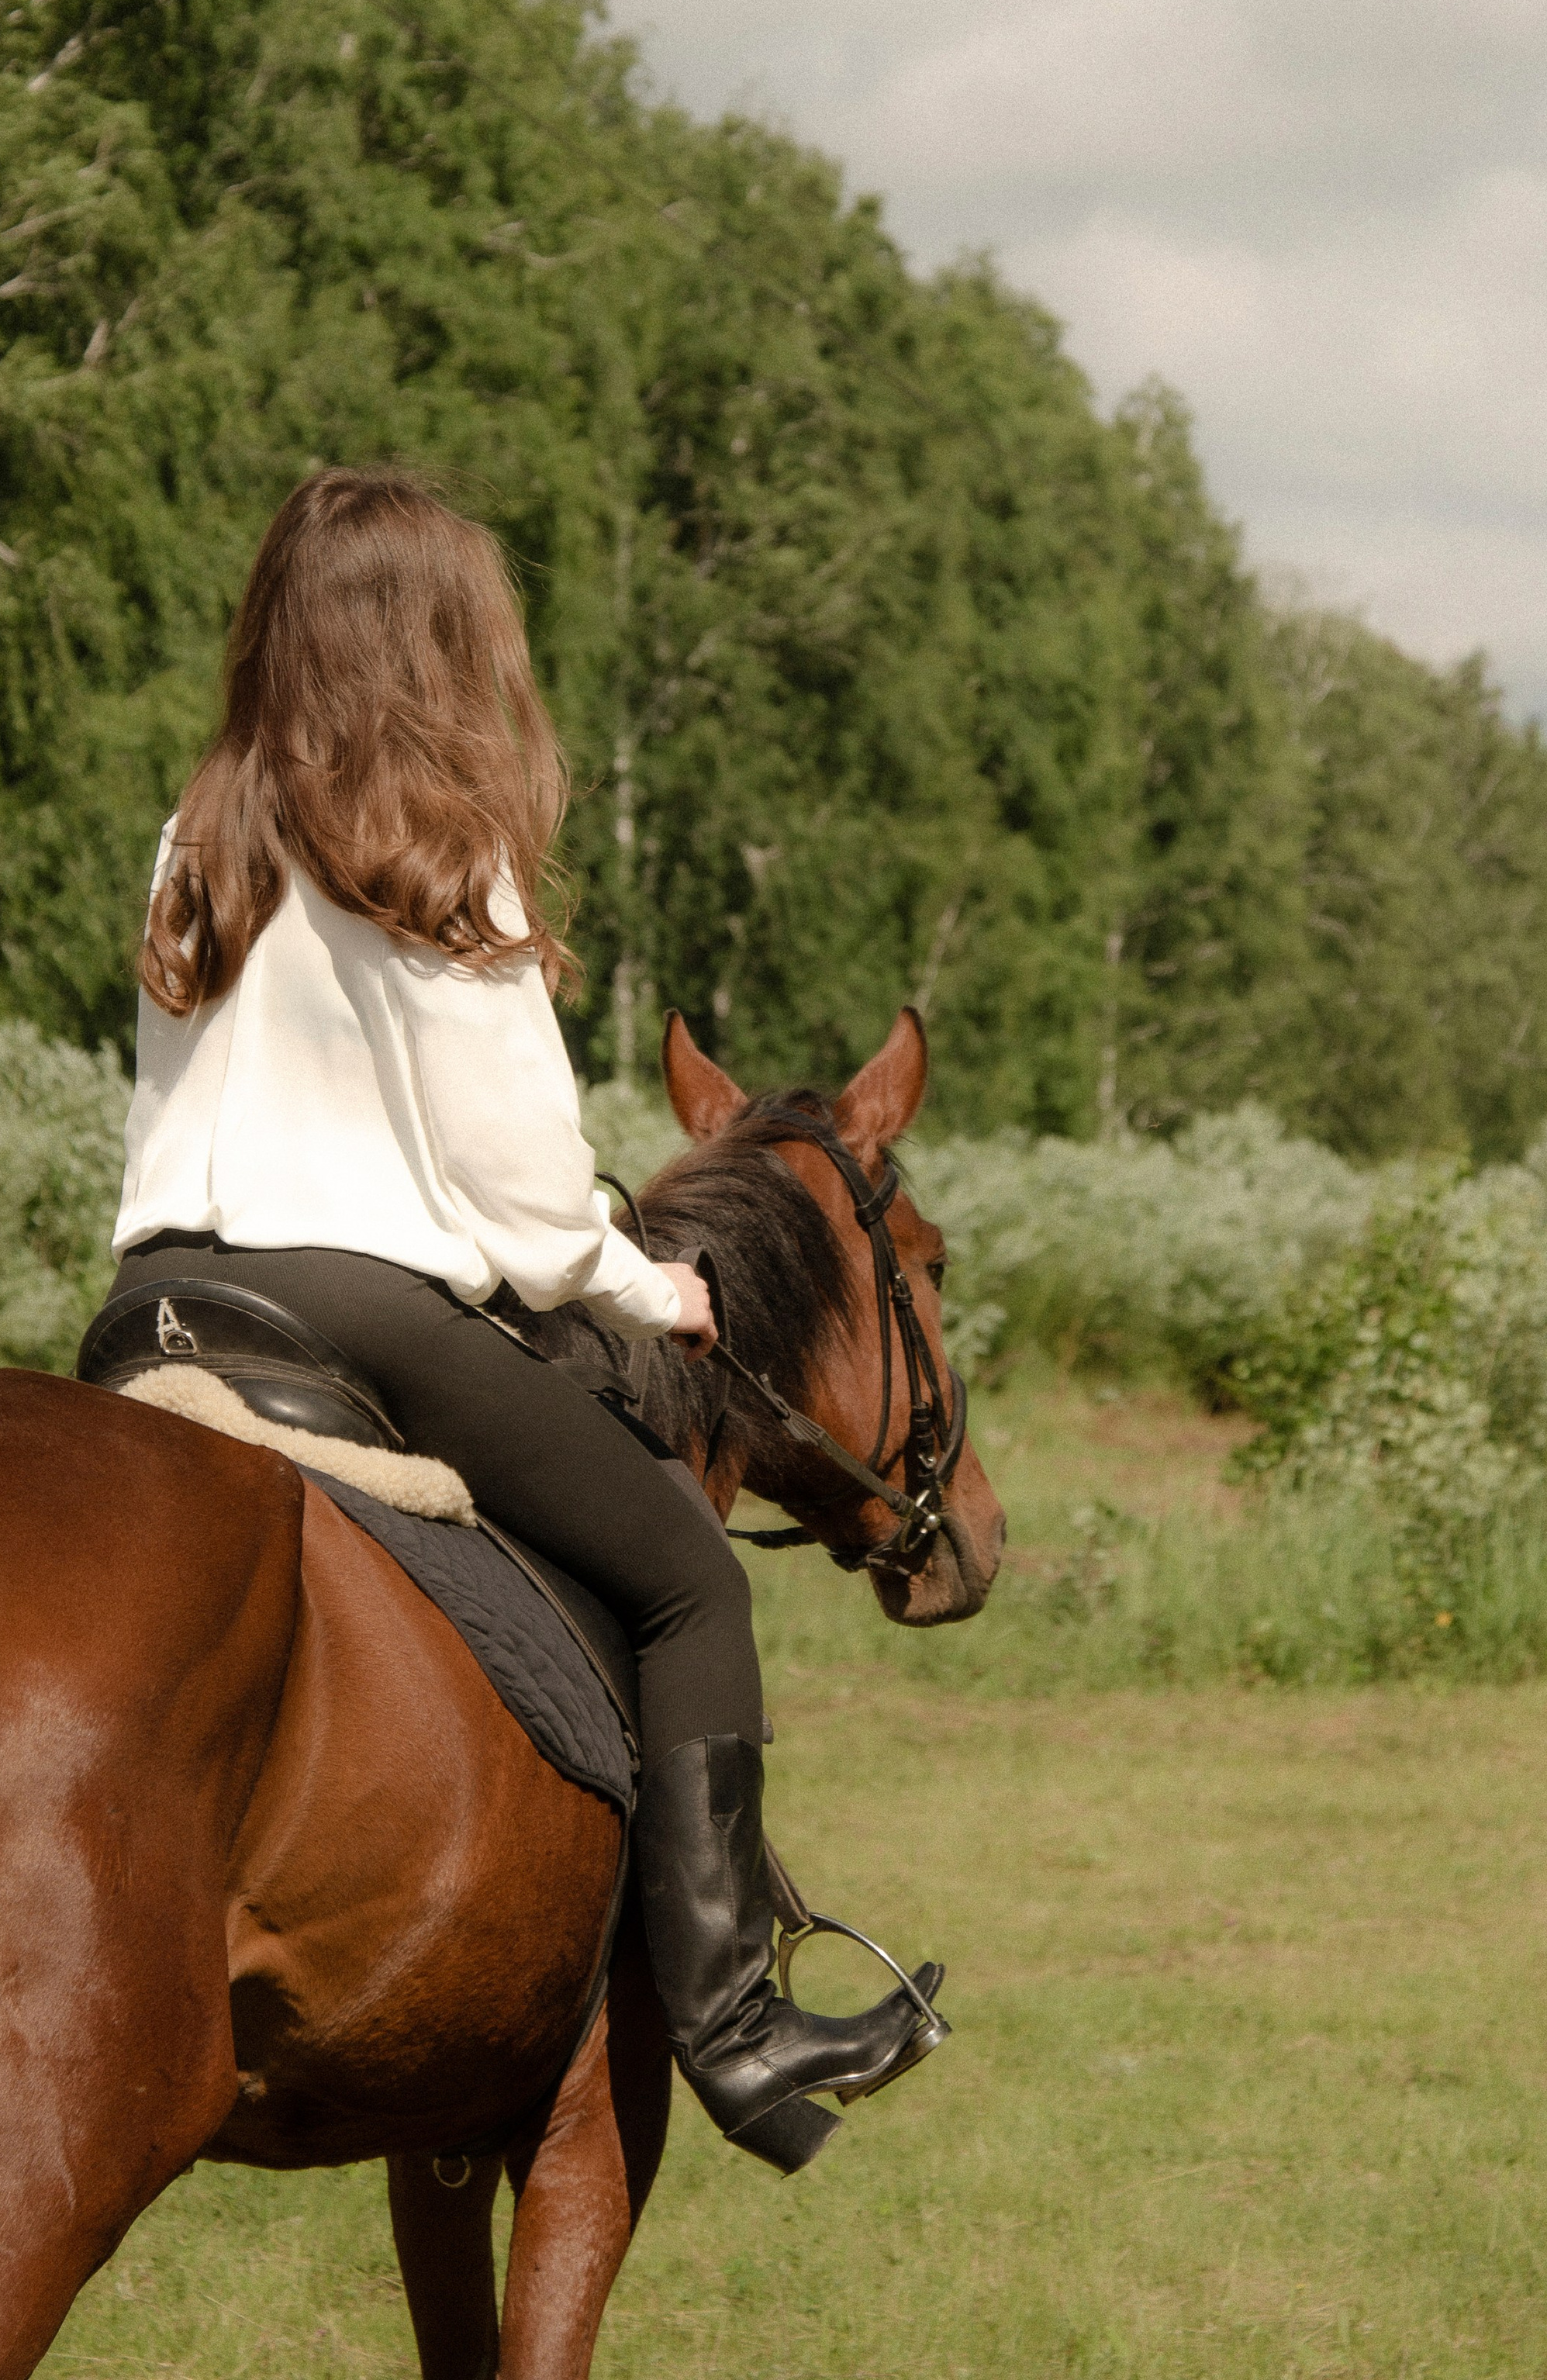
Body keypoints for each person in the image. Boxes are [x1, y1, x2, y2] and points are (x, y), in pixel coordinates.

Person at [106, 466, 937, 2174]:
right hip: (353, 1311)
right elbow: (523, 1198)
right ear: (435, 644)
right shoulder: (444, 845)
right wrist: (656, 1287)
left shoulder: (201, 833)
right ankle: (737, 2028)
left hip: (153, 1306)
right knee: (688, 1580)